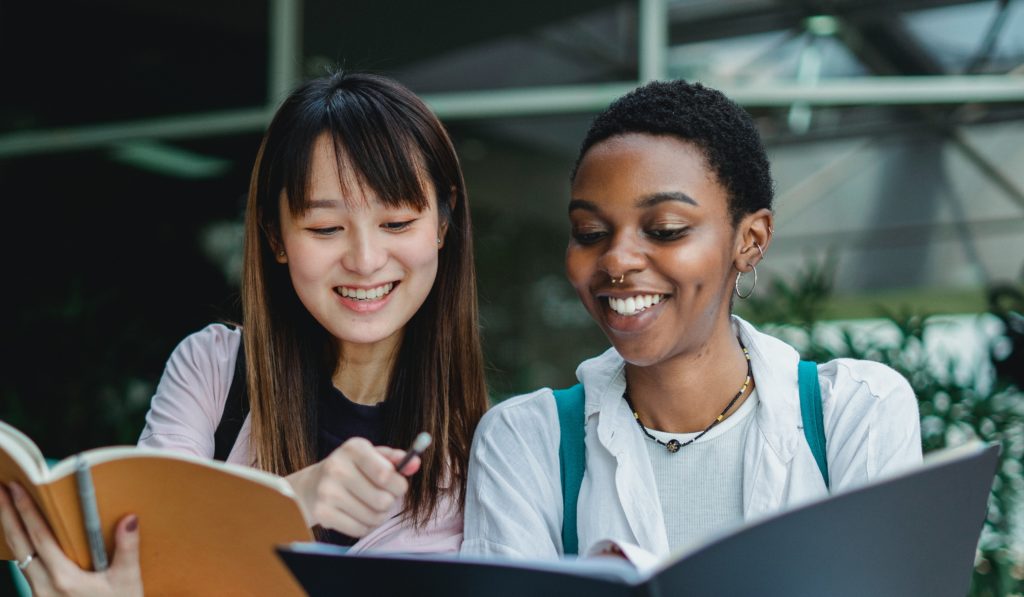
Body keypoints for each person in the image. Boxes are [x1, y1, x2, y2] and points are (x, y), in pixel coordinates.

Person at [0, 71, 488, 594]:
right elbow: (148, 552)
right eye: (325, 228)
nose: (365, 261)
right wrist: (290, 502)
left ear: (442, 222)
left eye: (396, 224)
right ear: (275, 236)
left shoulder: (492, 448)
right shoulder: (213, 369)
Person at [462, 79, 922, 560]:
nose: (616, 260)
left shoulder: (851, 413)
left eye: (665, 230)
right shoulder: (527, 442)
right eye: (590, 231)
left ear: (751, 240)